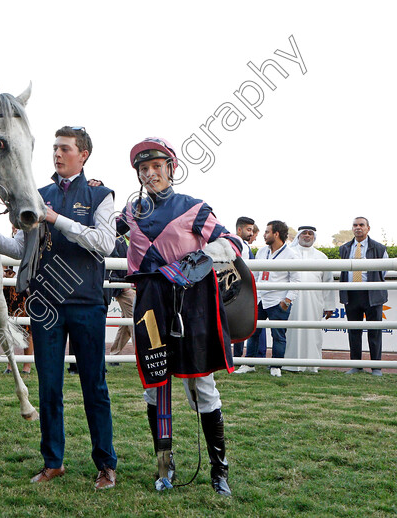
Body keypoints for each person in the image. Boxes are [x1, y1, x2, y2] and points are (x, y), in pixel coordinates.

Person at [0, 126, 118, 490]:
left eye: (65, 149)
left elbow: (104, 243)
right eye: (55, 148)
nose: (57, 154)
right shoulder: (36, 194)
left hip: (86, 302)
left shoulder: (100, 194)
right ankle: (53, 462)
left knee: (94, 387)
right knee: (49, 387)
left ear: (84, 154)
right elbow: (18, 249)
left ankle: (106, 464)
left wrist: (55, 219)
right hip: (45, 303)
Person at [114, 137, 236, 496]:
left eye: (157, 166)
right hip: (150, 305)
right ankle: (164, 466)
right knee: (154, 385)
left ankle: (219, 471)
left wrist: (192, 262)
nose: (150, 173)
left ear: (171, 169)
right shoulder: (129, 212)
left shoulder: (194, 207)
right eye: (144, 168)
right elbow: (104, 236)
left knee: (201, 385)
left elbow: (231, 243)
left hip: (191, 304)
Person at [236, 220, 300, 377]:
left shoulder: (291, 255)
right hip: (259, 299)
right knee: (253, 332)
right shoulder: (262, 251)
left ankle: (276, 366)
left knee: (278, 335)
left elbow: (296, 280)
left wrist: (287, 301)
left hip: (277, 300)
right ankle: (249, 363)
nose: (263, 235)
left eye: (267, 232)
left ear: (276, 234)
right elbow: (255, 276)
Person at [339, 217, 389, 376]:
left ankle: (376, 368)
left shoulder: (379, 248)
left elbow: (384, 271)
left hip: (372, 293)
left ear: (368, 228)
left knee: (375, 332)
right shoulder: (345, 248)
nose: (358, 228)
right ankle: (356, 365)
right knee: (354, 331)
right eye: (355, 225)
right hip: (352, 294)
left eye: (361, 225)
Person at [283, 226, 334, 373]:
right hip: (292, 301)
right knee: (291, 332)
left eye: (310, 234)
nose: (307, 236)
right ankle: (289, 364)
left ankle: (311, 366)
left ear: (314, 237)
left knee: (313, 333)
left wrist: (329, 306)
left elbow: (328, 282)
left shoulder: (322, 257)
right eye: (304, 233)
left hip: (314, 302)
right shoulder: (290, 254)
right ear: (298, 236)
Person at [231, 217, 254, 357]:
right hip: (238, 289)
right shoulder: (237, 243)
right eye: (248, 229)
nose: (251, 233)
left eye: (252, 230)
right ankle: (235, 356)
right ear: (239, 229)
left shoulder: (244, 244)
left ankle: (237, 356)